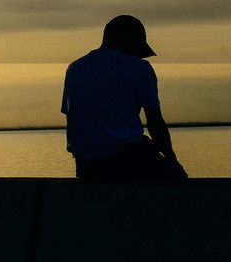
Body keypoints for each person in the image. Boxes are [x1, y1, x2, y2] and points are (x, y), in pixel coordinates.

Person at [61, 15, 188, 182]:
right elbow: (155, 121)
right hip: (126, 160)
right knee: (177, 178)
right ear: (131, 42)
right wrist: (172, 160)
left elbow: (74, 116)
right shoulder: (139, 68)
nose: (138, 55)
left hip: (86, 166)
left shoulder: (75, 69)